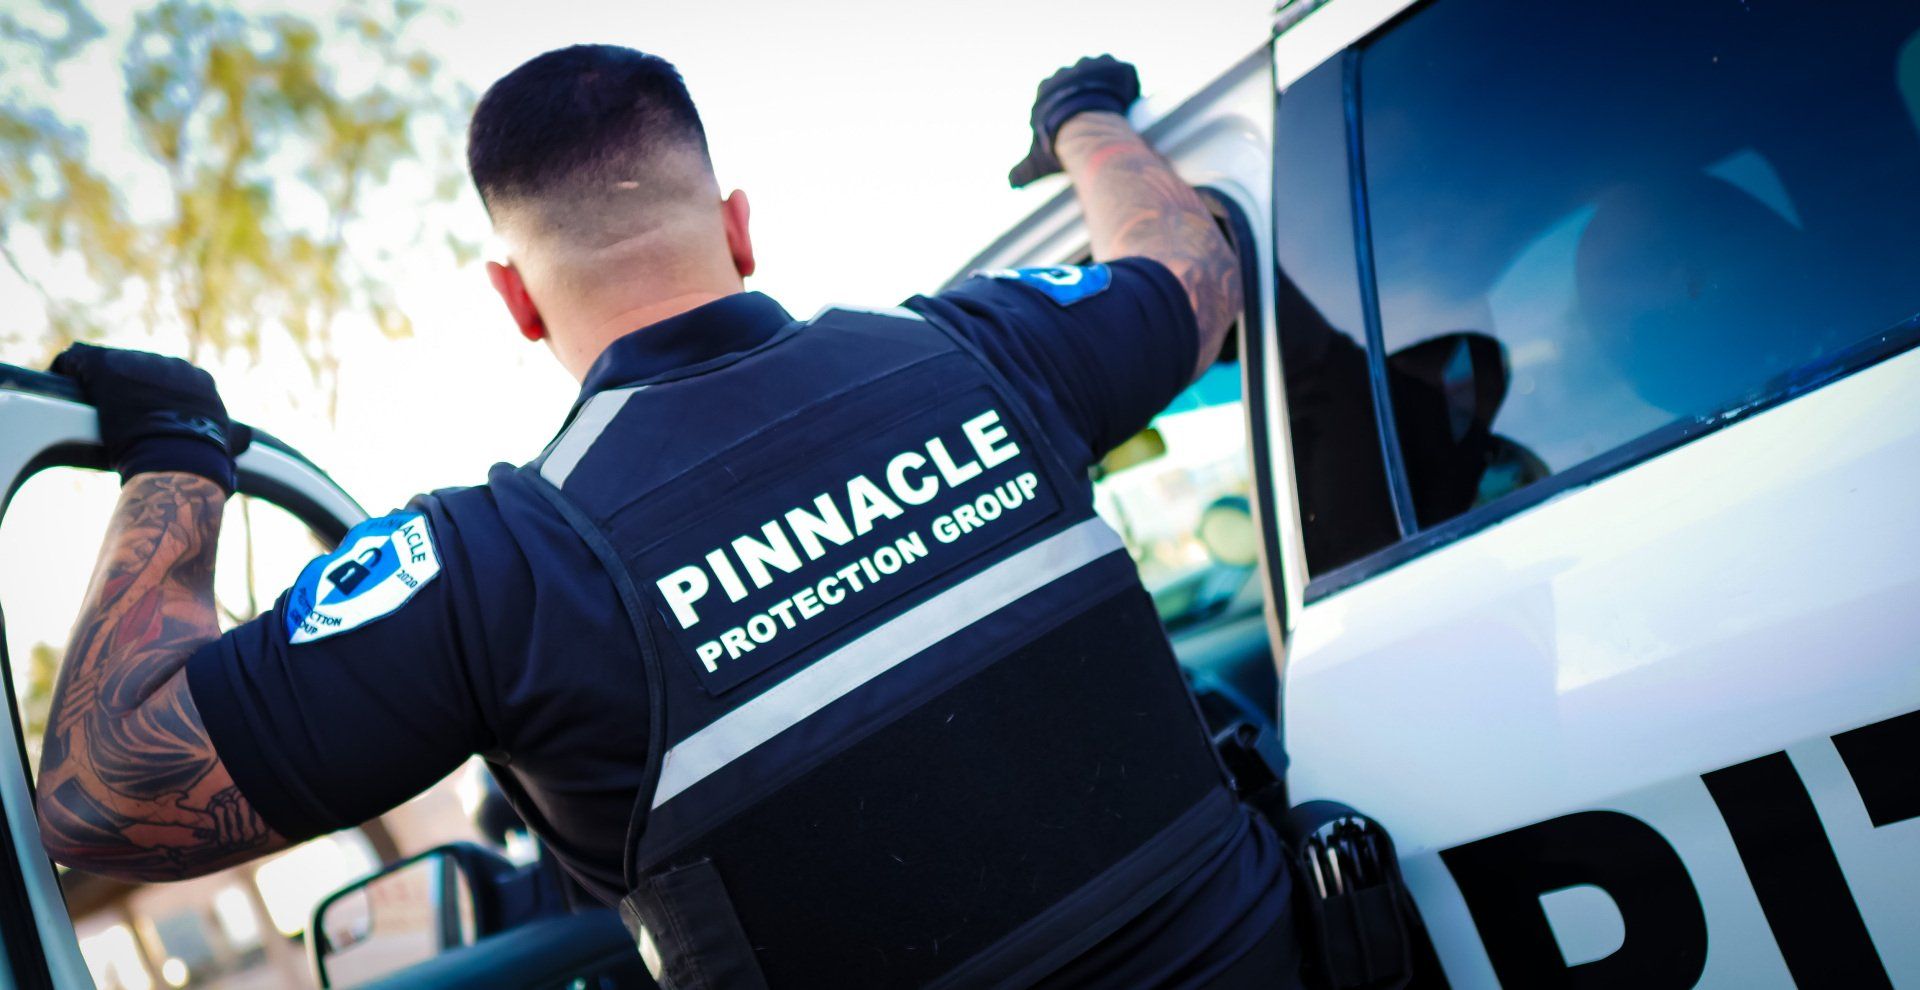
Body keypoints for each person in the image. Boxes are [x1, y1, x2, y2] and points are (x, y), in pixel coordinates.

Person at [38, 47, 1299, 988]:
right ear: (739, 226)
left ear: (516, 303)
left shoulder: (501, 571)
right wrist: (1081, 117)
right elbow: (1191, 263)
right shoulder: (985, 355)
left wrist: (177, 454)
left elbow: (104, 791)